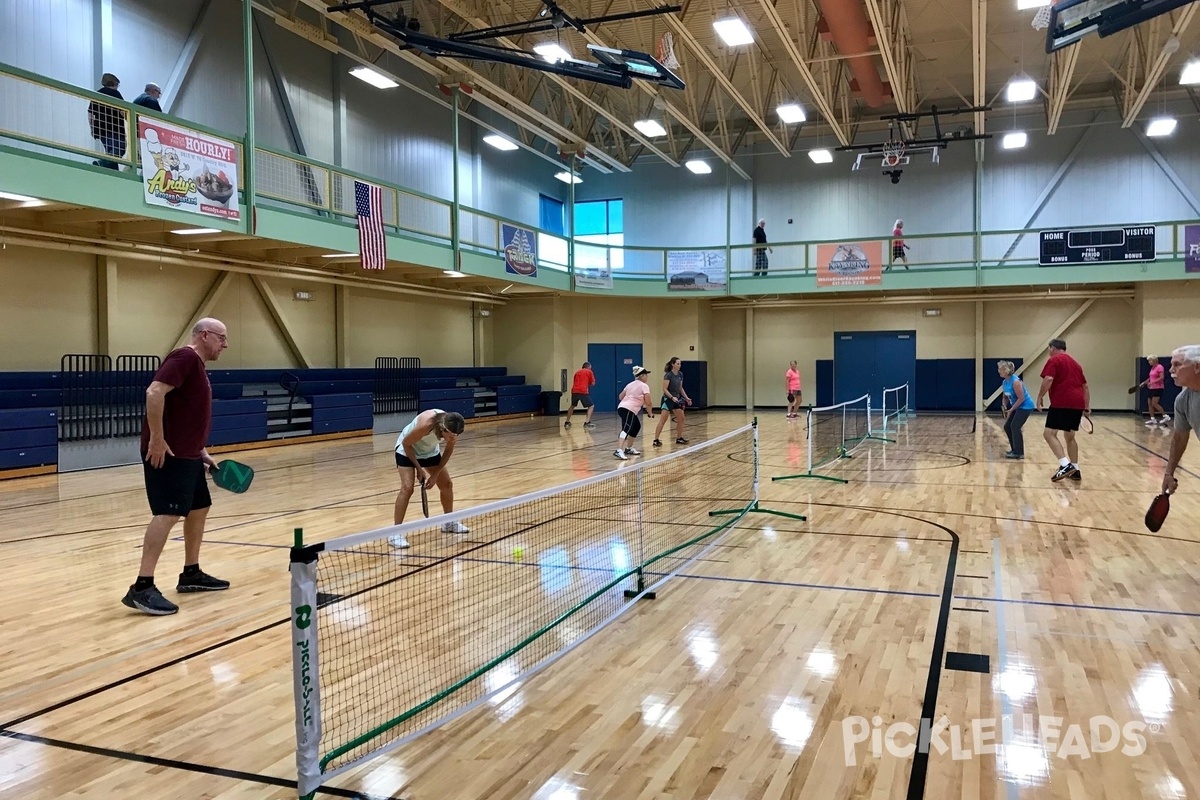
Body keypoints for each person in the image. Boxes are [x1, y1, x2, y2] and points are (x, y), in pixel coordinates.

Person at [121, 318, 229, 616]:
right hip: (168, 454)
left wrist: (201, 451)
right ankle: (142, 587)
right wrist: (157, 439)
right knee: (167, 513)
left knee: (199, 507)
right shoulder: (184, 357)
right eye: (222, 338)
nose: (225, 344)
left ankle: (191, 573)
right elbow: (154, 392)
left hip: (189, 454)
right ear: (205, 335)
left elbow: (184, 414)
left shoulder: (197, 366)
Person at [388, 410, 468, 548]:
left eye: (457, 436)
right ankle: (395, 533)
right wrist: (419, 469)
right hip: (407, 451)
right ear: (443, 429)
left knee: (447, 484)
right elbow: (406, 444)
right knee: (407, 488)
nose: (454, 439)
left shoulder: (453, 427)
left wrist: (435, 474)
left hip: (430, 452)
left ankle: (448, 521)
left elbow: (448, 451)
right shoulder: (425, 425)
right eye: (452, 436)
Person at [1036, 338, 1090, 482]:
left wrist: (1040, 396)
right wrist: (1086, 406)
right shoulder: (1076, 364)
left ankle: (1065, 465)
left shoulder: (1055, 360)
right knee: (1069, 437)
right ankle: (1076, 470)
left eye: (1049, 349)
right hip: (1077, 404)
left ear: (1052, 348)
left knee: (1049, 434)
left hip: (1062, 402)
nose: (1048, 351)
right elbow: (1085, 386)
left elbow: (1048, 379)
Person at [1163, 345, 1200, 495]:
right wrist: (1169, 473)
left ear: (1197, 367)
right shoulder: (1182, 400)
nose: (1171, 370)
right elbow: (1179, 437)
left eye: (1177, 365)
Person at [87, 73, 126, 170]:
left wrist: (92, 128)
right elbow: (123, 111)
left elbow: (91, 114)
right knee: (120, 149)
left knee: (110, 150)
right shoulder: (115, 94)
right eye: (117, 85)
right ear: (114, 83)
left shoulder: (97, 94)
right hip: (115, 128)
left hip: (101, 128)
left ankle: (114, 174)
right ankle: (102, 162)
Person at [652, 356, 692, 447]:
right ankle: (656, 439)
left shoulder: (680, 374)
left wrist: (686, 398)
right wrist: (671, 397)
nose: (679, 365)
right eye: (678, 363)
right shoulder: (668, 375)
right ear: (673, 364)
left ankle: (679, 438)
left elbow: (680, 388)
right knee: (663, 420)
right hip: (668, 400)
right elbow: (664, 389)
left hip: (677, 400)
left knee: (681, 419)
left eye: (680, 363)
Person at [615, 366, 653, 460]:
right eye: (646, 375)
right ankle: (619, 450)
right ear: (642, 376)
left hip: (622, 408)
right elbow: (648, 402)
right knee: (626, 428)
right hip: (629, 409)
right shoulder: (644, 386)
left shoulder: (629, 384)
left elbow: (620, 397)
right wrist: (650, 413)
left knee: (636, 426)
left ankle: (628, 448)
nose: (647, 377)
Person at [998, 361, 1034, 459]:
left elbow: (1021, 398)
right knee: (1007, 427)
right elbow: (1005, 396)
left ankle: (1019, 453)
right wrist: (1004, 405)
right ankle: (1014, 449)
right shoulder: (1005, 382)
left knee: (1015, 426)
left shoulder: (1016, 382)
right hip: (1017, 406)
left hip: (1025, 407)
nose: (999, 371)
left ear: (1006, 370)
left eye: (1000, 369)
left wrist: (1011, 410)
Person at [1139, 355, 1169, 426]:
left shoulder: (1160, 367)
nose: (1149, 362)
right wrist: (1144, 383)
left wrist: (1152, 383)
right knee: (1149, 403)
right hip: (1151, 388)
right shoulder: (1152, 368)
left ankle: (1165, 416)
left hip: (1158, 388)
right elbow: (1150, 378)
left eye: (1150, 360)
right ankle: (1153, 419)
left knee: (1154, 403)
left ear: (1154, 360)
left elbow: (1161, 378)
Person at [564, 361, 596, 428]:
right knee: (591, 406)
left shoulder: (577, 372)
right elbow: (593, 383)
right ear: (588, 367)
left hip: (574, 391)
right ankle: (587, 422)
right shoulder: (589, 372)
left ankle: (567, 421)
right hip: (583, 391)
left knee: (572, 405)